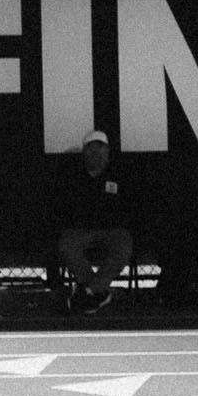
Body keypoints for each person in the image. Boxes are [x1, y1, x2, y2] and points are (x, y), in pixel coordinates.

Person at [51, 129, 135, 314]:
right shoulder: (72, 177)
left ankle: (89, 292)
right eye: (91, 149)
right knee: (67, 244)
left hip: (112, 230)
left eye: (100, 149)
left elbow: (128, 207)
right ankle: (99, 292)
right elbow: (64, 208)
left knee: (123, 246)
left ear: (108, 152)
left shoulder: (119, 175)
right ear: (84, 153)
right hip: (81, 230)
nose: (96, 154)